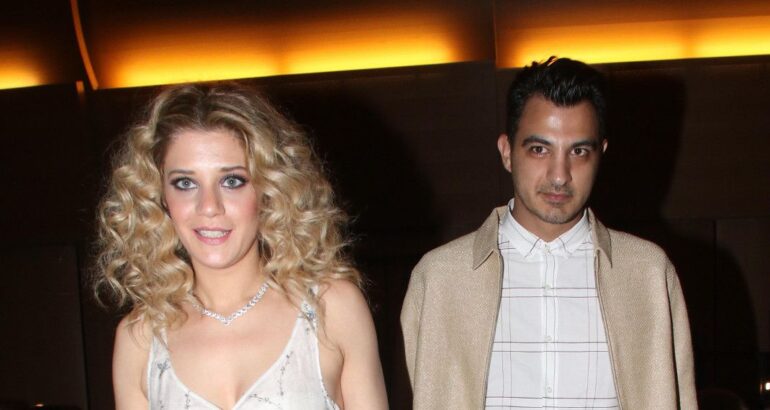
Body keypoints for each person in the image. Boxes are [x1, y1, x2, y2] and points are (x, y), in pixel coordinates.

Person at [401, 57, 697, 409]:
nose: (559, 175)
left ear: (600, 155)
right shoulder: (441, 278)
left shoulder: (647, 274)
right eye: (539, 149)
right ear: (507, 152)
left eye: (579, 151)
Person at [94, 83, 388, 409]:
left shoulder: (332, 308)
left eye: (232, 181)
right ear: (160, 196)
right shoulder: (140, 339)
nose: (209, 206)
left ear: (269, 188)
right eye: (185, 183)